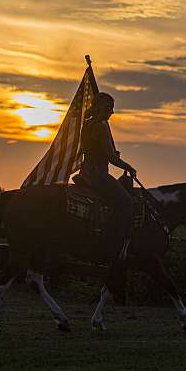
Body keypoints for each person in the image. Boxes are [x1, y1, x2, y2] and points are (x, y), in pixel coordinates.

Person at [79, 92, 135, 260]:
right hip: (98, 175)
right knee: (127, 203)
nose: (112, 113)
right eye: (110, 109)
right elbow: (111, 158)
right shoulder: (101, 126)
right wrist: (128, 166)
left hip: (86, 172)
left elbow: (94, 150)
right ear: (102, 108)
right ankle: (116, 242)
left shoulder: (87, 125)